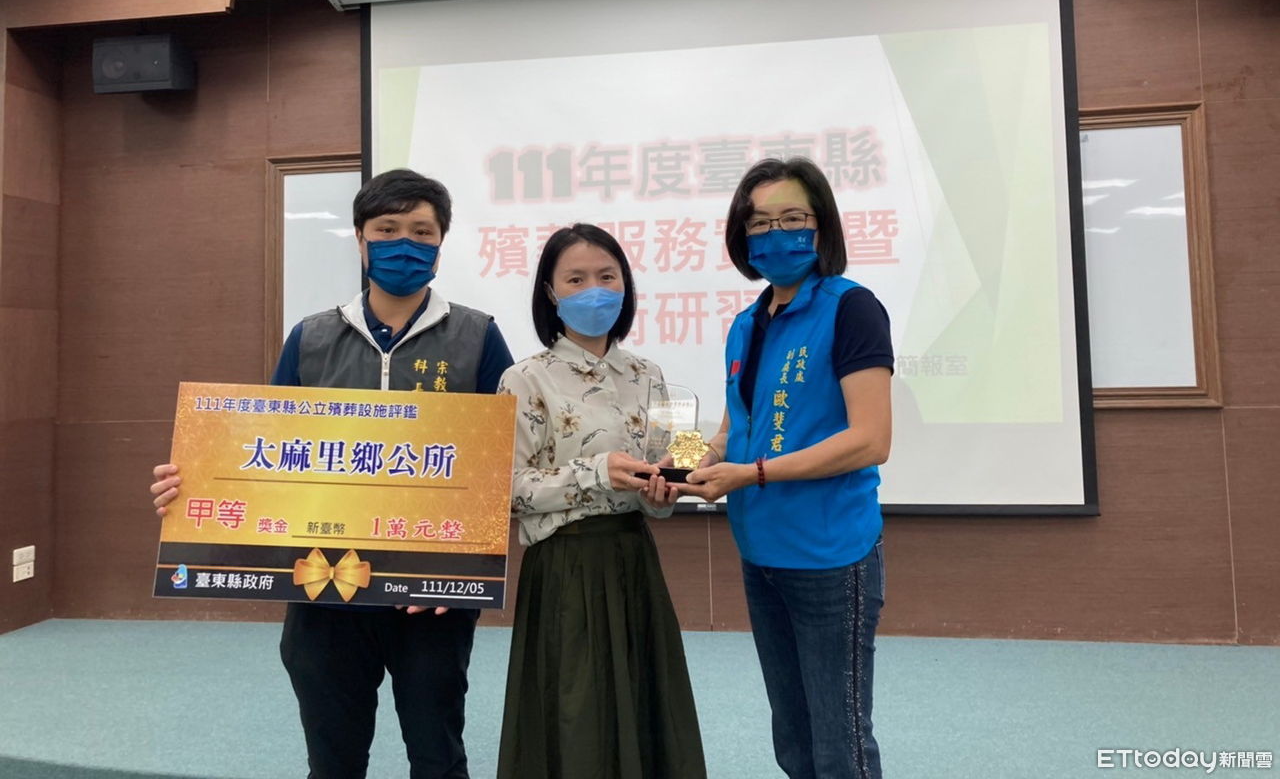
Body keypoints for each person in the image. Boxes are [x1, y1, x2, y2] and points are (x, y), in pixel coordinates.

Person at [150, 169, 514, 779]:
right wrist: (191, 488)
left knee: (439, 756)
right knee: (333, 761)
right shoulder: (312, 337)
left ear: (441, 242)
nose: (404, 244)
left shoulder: (479, 336)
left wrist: (458, 573)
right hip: (322, 590)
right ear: (360, 239)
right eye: (387, 230)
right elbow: (266, 457)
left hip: (430, 598)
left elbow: (502, 463)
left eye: (421, 231)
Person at [678, 158, 894, 779]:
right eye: (760, 223)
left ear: (822, 224)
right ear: (742, 236)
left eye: (793, 218)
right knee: (794, 738)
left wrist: (752, 476)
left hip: (830, 556)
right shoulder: (746, 324)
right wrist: (681, 463)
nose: (776, 234)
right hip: (761, 554)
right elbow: (733, 432)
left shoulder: (852, 308)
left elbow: (871, 439)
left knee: (840, 741)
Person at [495, 223, 707, 779]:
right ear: (550, 292)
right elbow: (508, 489)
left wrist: (671, 485)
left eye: (607, 277)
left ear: (625, 285)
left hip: (635, 559)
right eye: (576, 279)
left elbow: (668, 473)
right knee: (577, 718)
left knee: (647, 710)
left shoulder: (650, 375)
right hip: (565, 566)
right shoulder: (524, 379)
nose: (595, 290)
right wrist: (596, 472)